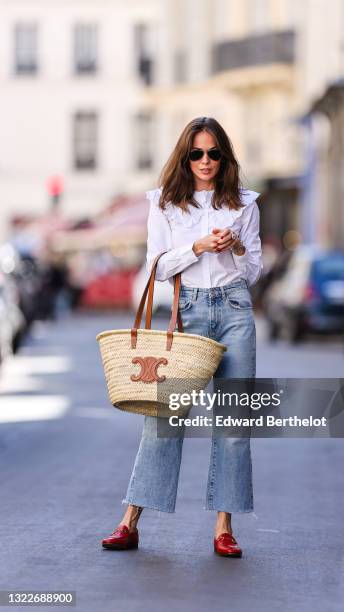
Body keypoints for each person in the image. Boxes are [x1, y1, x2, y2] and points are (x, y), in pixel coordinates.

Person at [101, 116, 262, 558]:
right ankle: (129, 522)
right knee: (164, 420)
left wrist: (237, 248)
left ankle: (224, 528)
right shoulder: (166, 204)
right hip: (186, 313)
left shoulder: (245, 203)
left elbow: (253, 271)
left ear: (223, 156)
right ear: (185, 157)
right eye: (196, 153)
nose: (205, 161)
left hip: (234, 310)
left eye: (213, 153)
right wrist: (196, 248)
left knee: (233, 424)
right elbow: (154, 267)